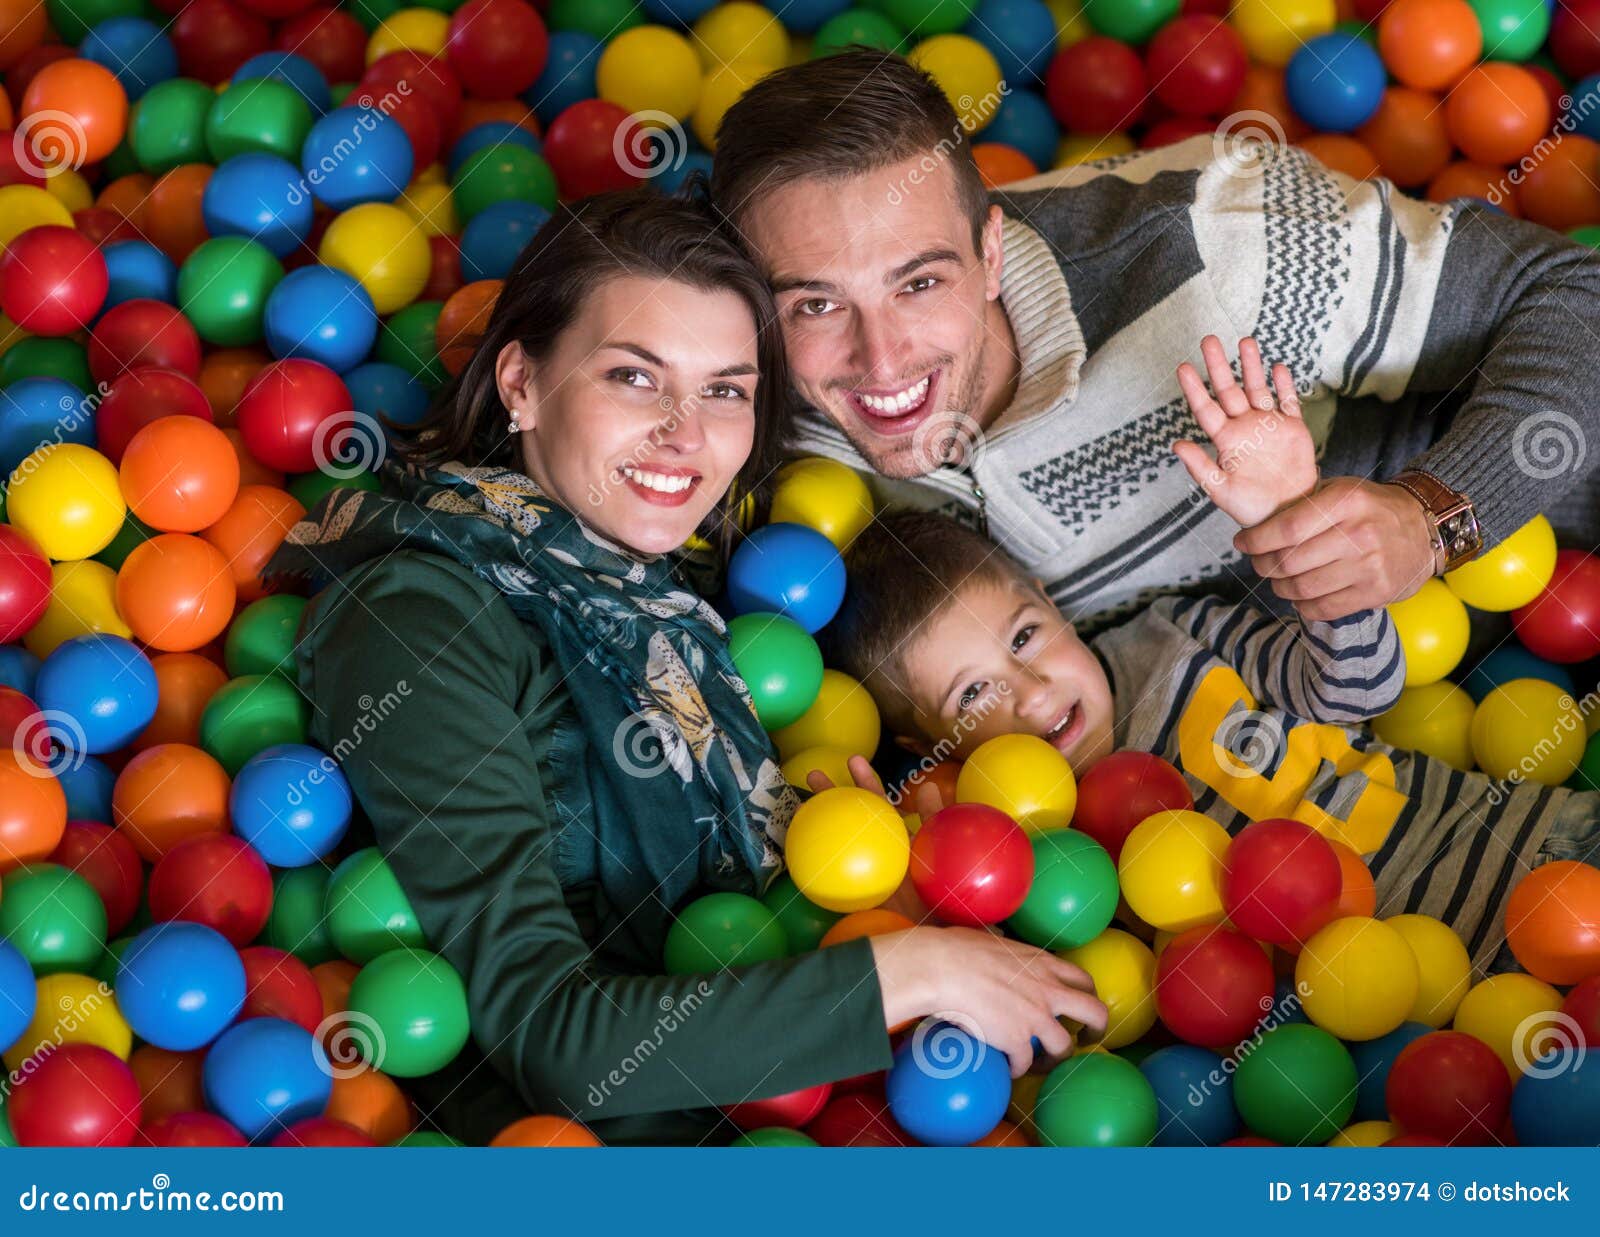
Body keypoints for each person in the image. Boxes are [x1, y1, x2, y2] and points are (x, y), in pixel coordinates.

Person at [265, 189, 1106, 1147]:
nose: (685, 433)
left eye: (725, 389)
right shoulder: (419, 616)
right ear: (522, 383)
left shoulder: (674, 586)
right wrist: (916, 971)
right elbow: (552, 1038)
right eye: (634, 376)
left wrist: (858, 871)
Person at [710, 50, 1600, 631]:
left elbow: (1571, 292)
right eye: (815, 306)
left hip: (1481, 588)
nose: (882, 359)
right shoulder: (728, 386)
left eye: (919, 283)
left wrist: (1430, 516)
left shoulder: (1225, 237)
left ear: (988, 250)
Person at [821, 334, 1600, 974]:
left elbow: (1358, 687)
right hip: (1406, 1010)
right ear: (933, 750)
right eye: (972, 697)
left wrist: (1300, 522)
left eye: (1025, 637)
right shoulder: (1017, 849)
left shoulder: (1175, 637)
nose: (1029, 688)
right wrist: (904, 867)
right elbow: (1018, 976)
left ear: (1051, 604)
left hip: (1537, 852)